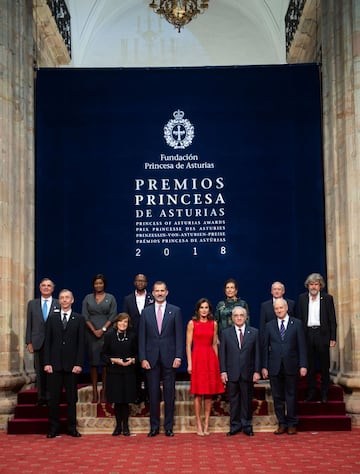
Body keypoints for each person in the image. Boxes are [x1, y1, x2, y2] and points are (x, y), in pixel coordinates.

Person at [139, 281, 183, 437]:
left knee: (170, 394)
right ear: (153, 292)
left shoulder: (175, 311)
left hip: (170, 358)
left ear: (167, 292)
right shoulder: (145, 312)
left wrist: (179, 355)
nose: (159, 293)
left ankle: (169, 427)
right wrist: (142, 357)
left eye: (162, 290)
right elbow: (142, 337)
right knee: (153, 394)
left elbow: (179, 336)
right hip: (150, 359)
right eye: (156, 291)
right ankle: (154, 427)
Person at [262, 298, 307, 435]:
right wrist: (264, 367)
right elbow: (264, 348)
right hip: (274, 366)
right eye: (276, 308)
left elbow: (302, 346)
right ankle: (281, 423)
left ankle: (292, 423)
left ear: (286, 308)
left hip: (291, 365)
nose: (279, 310)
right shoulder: (269, 326)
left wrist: (303, 365)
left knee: (291, 395)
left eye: (281, 308)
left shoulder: (297, 324)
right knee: (277, 396)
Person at [44, 289, 85, 438]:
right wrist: (47, 362)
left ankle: (71, 428)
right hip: (54, 365)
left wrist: (79, 363)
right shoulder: (52, 318)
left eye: (67, 297)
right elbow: (47, 342)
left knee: (71, 399)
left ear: (72, 300)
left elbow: (81, 344)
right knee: (54, 399)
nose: (65, 300)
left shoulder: (79, 319)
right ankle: (53, 429)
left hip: (72, 366)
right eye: (62, 298)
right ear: (59, 300)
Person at [219, 306, 261, 437]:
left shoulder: (254, 332)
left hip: (248, 372)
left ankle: (247, 425)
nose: (238, 318)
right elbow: (222, 354)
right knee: (233, 401)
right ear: (232, 318)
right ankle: (235, 425)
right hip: (232, 373)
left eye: (241, 315)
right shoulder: (226, 333)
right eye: (236, 316)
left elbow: (257, 354)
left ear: (246, 317)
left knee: (247, 400)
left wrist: (257, 371)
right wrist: (223, 371)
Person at [186, 298, 224, 436]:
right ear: (197, 309)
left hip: (210, 359)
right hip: (197, 358)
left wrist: (217, 363)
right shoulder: (192, 323)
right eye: (201, 307)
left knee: (209, 394)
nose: (204, 310)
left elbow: (214, 344)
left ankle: (207, 423)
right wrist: (189, 363)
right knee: (198, 393)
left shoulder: (214, 324)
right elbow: (188, 345)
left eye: (206, 307)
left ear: (209, 309)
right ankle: (198, 423)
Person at [297, 273, 337, 403]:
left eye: (316, 284)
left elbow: (332, 319)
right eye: (311, 284)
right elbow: (300, 319)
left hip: (322, 334)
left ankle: (325, 393)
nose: (313, 286)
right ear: (307, 286)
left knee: (324, 365)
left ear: (320, 285)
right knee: (310, 366)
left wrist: (333, 337)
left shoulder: (327, 298)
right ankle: (311, 392)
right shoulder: (302, 298)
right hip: (308, 334)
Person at [82, 273, 117, 403]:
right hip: (91, 335)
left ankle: (104, 393)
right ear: (93, 285)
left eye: (100, 283)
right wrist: (94, 331)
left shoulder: (110, 298)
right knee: (93, 364)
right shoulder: (87, 298)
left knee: (105, 364)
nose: (98, 285)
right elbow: (85, 316)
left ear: (104, 284)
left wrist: (102, 330)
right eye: (96, 283)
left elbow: (113, 316)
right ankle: (95, 392)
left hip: (106, 334)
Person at [101, 313, 137, 436]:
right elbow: (103, 355)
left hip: (128, 373)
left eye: (126, 322)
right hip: (114, 372)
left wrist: (132, 360)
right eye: (121, 321)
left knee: (125, 400)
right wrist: (113, 360)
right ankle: (118, 426)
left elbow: (138, 354)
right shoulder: (109, 336)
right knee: (117, 400)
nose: (123, 324)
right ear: (116, 323)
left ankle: (126, 426)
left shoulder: (132, 336)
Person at [25, 278, 60, 405]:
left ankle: (51, 397)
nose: (46, 287)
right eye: (43, 285)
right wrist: (28, 341)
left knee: (52, 371)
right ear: (40, 288)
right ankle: (41, 397)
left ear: (53, 288)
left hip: (54, 343)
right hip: (37, 341)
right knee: (39, 371)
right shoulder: (32, 304)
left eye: (49, 285)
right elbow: (29, 323)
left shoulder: (58, 303)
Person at [123, 273, 154, 402]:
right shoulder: (128, 299)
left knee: (148, 367)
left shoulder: (152, 298)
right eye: (138, 280)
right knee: (135, 368)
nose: (140, 283)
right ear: (134, 282)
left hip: (150, 338)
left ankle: (148, 394)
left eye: (143, 281)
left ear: (146, 283)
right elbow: (125, 318)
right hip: (133, 338)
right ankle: (136, 394)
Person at [259, 281, 295, 349]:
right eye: (274, 289)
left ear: (283, 291)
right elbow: (262, 326)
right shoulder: (265, 306)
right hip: (272, 343)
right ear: (271, 292)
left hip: (288, 342)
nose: (276, 291)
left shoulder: (291, 304)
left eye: (279, 289)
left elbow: (294, 324)